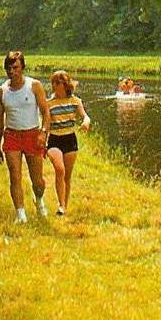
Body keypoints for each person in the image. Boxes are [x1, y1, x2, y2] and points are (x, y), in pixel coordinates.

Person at [0, 50, 50, 223]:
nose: (12, 71)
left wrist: (43, 133)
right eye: (9, 68)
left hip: (32, 134)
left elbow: (46, 112)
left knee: (37, 181)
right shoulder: (1, 91)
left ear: (22, 67)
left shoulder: (34, 86)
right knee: (14, 175)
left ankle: (39, 199)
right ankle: (21, 214)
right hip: (12, 136)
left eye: (15, 67)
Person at [44, 70, 92, 216]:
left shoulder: (75, 101)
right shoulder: (48, 103)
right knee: (59, 169)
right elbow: (45, 124)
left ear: (65, 84)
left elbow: (86, 117)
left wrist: (85, 123)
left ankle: (64, 205)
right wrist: (42, 140)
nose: (54, 86)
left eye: (57, 83)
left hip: (70, 140)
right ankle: (61, 205)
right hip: (54, 140)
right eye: (52, 83)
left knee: (67, 176)